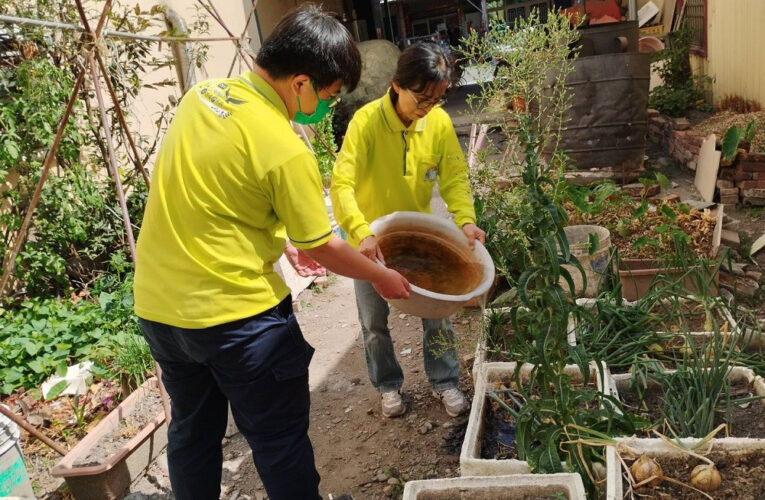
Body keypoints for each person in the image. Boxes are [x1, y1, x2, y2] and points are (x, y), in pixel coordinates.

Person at [133, 6, 409, 500]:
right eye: (327, 96)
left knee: (192, 433)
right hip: (237, 322)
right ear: (300, 82)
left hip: (160, 312)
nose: (326, 107)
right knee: (278, 440)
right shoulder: (284, 147)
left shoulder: (201, 97)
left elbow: (213, 191)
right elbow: (321, 246)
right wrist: (380, 276)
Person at [330, 43, 486, 419]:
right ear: (397, 85)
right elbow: (342, 183)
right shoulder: (366, 122)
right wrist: (360, 231)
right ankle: (387, 386)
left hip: (419, 241)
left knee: (439, 316)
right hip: (370, 244)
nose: (427, 107)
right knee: (373, 323)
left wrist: (465, 219)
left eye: (436, 99)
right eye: (422, 98)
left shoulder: (438, 123)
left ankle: (445, 381)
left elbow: (453, 177)